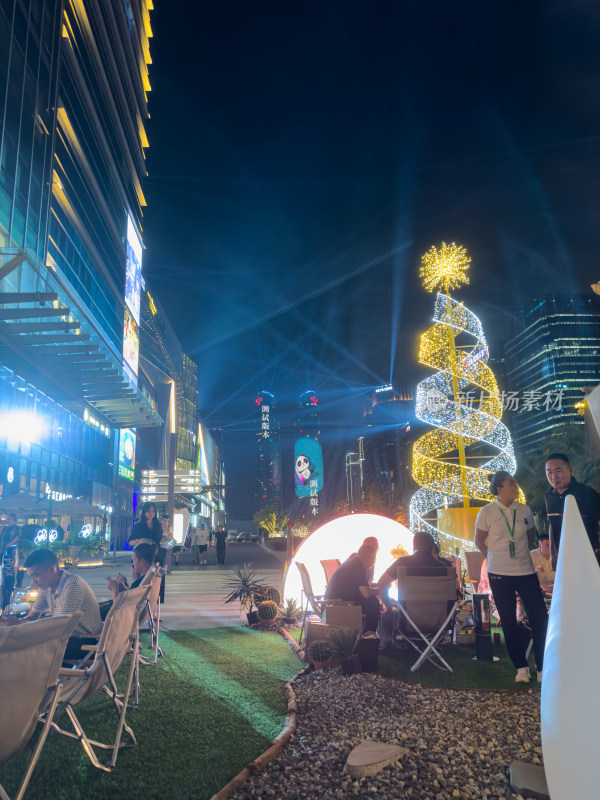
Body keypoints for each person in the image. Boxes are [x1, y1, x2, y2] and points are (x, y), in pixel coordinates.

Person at [475, 471, 547, 683]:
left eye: (515, 483)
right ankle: (521, 668)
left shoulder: (524, 509)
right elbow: (479, 540)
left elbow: (530, 535)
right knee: (508, 620)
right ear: (499, 489)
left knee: (540, 618)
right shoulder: (487, 512)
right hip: (499, 573)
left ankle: (542, 667)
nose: (516, 486)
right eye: (511, 483)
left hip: (525, 570)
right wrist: (494, 557)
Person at [0, 548, 103, 662]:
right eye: (31, 576)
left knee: (22, 649)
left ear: (52, 569)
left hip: (85, 642)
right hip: (65, 639)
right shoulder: (47, 587)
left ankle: (26, 678)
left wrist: (19, 627)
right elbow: (32, 618)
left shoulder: (72, 585)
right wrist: (15, 624)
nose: (33, 581)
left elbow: (58, 626)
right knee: (15, 644)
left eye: (36, 575)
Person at [544, 452, 600, 569]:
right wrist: (553, 555)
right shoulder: (549, 497)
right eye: (549, 472)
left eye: (558, 471)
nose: (553, 476)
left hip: (590, 556)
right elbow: (552, 523)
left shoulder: (586, 492)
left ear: (570, 470)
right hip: (565, 560)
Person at [324, 544, 380, 632]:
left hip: (332, 600)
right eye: (375, 558)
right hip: (338, 603)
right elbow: (366, 593)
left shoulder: (353, 561)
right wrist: (381, 590)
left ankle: (365, 633)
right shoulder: (358, 566)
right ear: (369, 557)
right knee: (373, 603)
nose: (374, 561)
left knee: (370, 601)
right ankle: (369, 636)